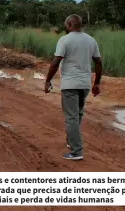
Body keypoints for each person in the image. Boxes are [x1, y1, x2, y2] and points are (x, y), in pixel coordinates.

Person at [44, 14, 102, 161]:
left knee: (71, 117)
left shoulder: (65, 40)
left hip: (70, 84)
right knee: (78, 115)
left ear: (70, 24)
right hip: (84, 85)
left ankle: (76, 151)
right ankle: (72, 141)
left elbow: (55, 62)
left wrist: (47, 80)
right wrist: (97, 83)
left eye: (65, 24)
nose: (64, 26)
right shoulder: (91, 40)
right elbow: (99, 63)